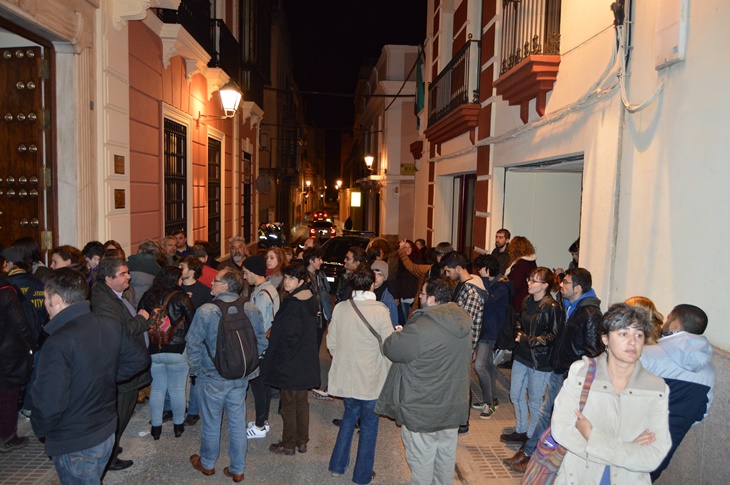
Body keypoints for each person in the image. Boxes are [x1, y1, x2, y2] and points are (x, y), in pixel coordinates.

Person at [30, 268, 149, 483]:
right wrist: (107, 377)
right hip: (105, 430)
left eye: (46, 298)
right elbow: (139, 359)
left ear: (55, 299)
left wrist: (39, 427)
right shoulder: (109, 325)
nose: (44, 304)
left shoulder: (57, 342)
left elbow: (49, 401)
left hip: (75, 441)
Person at [551, 303, 671, 484]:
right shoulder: (582, 373)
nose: (633, 341)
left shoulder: (656, 387)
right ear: (605, 338)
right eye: (623, 334)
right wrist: (628, 449)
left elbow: (653, 456)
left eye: (638, 335)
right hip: (579, 477)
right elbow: (561, 429)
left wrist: (592, 436)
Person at [375, 277, 471, 485]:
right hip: (452, 407)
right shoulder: (462, 320)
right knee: (445, 463)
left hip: (423, 409)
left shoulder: (422, 326)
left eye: (423, 294)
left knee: (421, 465)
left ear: (432, 299)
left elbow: (393, 349)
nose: (419, 297)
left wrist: (398, 334)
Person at [505, 267, 602, 472]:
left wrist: (572, 374)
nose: (561, 284)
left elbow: (592, 353)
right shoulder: (570, 305)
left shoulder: (590, 313)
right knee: (546, 413)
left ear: (577, 288)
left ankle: (532, 454)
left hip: (569, 374)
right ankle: (530, 452)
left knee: (546, 413)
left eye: (565, 282)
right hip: (561, 370)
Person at [185, 267, 266, 482]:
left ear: (226, 285)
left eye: (216, 280)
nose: (211, 282)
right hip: (240, 377)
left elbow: (192, 344)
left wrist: (195, 371)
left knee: (212, 423)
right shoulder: (250, 308)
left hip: (212, 377)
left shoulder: (206, 311)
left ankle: (208, 463)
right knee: (238, 423)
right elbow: (262, 342)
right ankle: (237, 469)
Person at [327, 267, 393, 484]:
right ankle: (362, 475)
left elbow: (332, 343)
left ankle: (337, 466)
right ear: (372, 284)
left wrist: (344, 360)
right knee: (369, 426)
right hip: (371, 378)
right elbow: (389, 345)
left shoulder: (341, 308)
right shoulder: (380, 310)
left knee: (348, 419)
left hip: (348, 377)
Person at [90, 256, 151, 471]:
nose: (129, 276)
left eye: (127, 272)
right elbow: (120, 332)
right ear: (108, 278)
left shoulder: (112, 295)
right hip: (121, 369)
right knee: (120, 413)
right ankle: (109, 457)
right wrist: (142, 319)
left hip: (126, 367)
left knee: (124, 410)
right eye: (123, 274)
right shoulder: (104, 303)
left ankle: (113, 447)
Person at [640, 304, 714, 481]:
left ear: (675, 325)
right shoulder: (709, 371)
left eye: (668, 319)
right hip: (663, 452)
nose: (664, 323)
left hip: (630, 445)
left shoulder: (647, 355)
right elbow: (700, 413)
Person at [501, 267, 562, 446]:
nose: (529, 283)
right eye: (529, 279)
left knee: (535, 401)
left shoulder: (552, 307)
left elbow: (554, 335)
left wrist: (529, 339)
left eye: (534, 281)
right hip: (521, 355)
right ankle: (520, 430)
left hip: (540, 361)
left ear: (545, 285)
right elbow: (519, 320)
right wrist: (519, 332)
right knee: (516, 394)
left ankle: (532, 435)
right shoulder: (528, 300)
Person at [264, 262, 320, 455]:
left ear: (302, 281)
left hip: (290, 361)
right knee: (301, 402)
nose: (286, 282)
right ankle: (302, 440)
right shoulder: (309, 299)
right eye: (286, 277)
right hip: (305, 361)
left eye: (291, 278)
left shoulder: (293, 304)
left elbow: (289, 336)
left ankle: (288, 444)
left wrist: (279, 360)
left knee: (288, 403)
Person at [138, 266, 195, 439]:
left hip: (155, 348)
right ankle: (178, 426)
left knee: (157, 389)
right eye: (179, 279)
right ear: (174, 280)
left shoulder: (149, 296)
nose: (181, 282)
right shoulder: (181, 297)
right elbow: (193, 321)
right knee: (177, 389)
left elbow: (140, 317)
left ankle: (156, 428)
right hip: (177, 349)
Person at [242, 254, 279, 439]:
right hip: (266, 347)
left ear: (254, 272)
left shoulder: (262, 295)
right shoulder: (267, 289)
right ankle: (262, 421)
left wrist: (257, 351)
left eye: (245, 272)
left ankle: (259, 425)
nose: (244, 276)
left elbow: (261, 327)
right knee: (262, 385)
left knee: (259, 386)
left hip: (262, 348)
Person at [472, 254, 513, 419]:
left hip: (491, 331)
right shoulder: (495, 284)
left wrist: (485, 280)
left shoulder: (501, 286)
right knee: (488, 365)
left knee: (479, 366)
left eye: (480, 269)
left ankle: (489, 403)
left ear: (486, 269)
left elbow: (486, 300)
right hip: (485, 329)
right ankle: (491, 399)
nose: (478, 272)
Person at [0, 278, 36, 453]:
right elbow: (21, 324)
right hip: (7, 352)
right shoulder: (6, 291)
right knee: (8, 395)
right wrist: (33, 344)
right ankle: (7, 437)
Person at [177, 255, 212, 427]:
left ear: (191, 271)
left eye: (182, 266)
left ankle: (193, 411)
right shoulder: (175, 288)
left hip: (197, 339)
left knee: (195, 377)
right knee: (178, 376)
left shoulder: (204, 291)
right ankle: (176, 408)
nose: (179, 269)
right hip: (177, 339)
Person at [127, 240, 164, 307]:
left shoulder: (130, 265)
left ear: (141, 250)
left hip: (131, 305)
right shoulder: (159, 270)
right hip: (147, 306)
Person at [505, 236, 537, 313]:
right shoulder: (531, 262)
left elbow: (516, 284)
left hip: (518, 300)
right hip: (527, 298)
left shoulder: (521, 264)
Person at [393, 240, 421, 324]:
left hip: (414, 296)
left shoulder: (418, 262)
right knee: (406, 321)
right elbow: (398, 280)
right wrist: (396, 297)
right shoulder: (400, 262)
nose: (407, 249)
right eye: (405, 247)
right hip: (404, 296)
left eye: (409, 247)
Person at [371, 260, 397, 327]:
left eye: (380, 275)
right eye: (373, 274)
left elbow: (393, 324)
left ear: (384, 278)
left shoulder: (388, 300)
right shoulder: (363, 292)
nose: (376, 277)